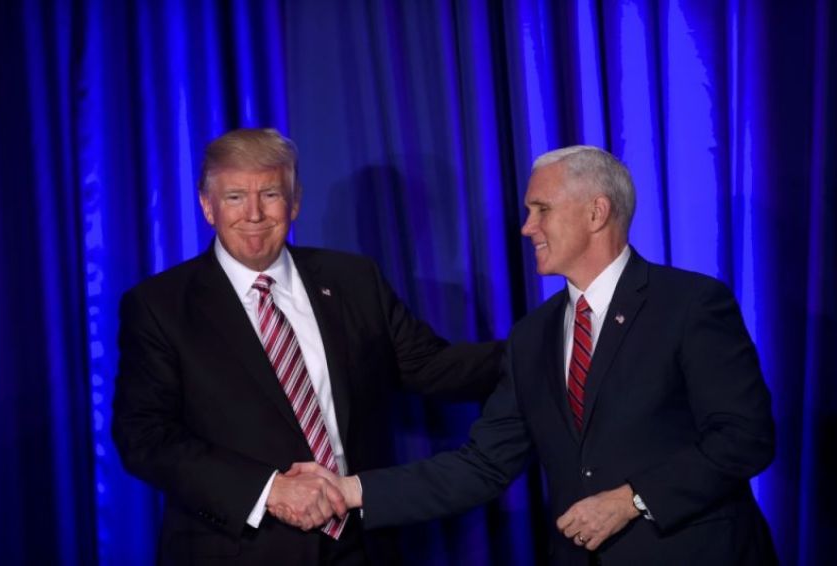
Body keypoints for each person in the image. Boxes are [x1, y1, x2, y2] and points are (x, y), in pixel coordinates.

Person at [292, 145, 778, 565]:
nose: (527, 227)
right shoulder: (532, 336)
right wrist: (349, 490)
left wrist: (632, 499)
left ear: (596, 213)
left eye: (541, 209)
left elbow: (745, 438)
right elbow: (482, 465)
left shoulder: (689, 305)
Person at [111, 128, 502, 566]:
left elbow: (433, 366)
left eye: (271, 194)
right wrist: (269, 490)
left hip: (361, 546)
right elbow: (144, 436)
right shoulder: (161, 305)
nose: (254, 213)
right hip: (238, 551)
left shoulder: (354, 280)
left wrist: (545, 346)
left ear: (295, 202)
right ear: (207, 206)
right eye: (235, 197)